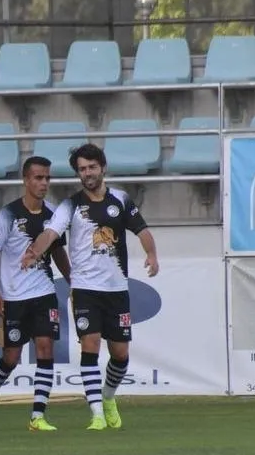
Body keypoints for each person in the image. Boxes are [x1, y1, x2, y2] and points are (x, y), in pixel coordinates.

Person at [22, 144, 158, 430]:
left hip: (117, 288)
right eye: (82, 169)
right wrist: (34, 251)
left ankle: (108, 397)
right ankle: (96, 413)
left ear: (102, 167)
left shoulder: (120, 199)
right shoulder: (70, 205)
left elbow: (142, 230)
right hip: (84, 288)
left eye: (91, 167)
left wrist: (152, 254)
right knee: (90, 346)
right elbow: (51, 232)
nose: (87, 173)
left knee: (120, 354)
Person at [0, 156, 71, 433]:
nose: (43, 183)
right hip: (14, 295)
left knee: (45, 349)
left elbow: (57, 251)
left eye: (47, 178)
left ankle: (37, 416)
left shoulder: (53, 214)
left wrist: (72, 280)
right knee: (11, 358)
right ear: (26, 180)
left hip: (44, 291)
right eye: (38, 178)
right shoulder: (8, 215)